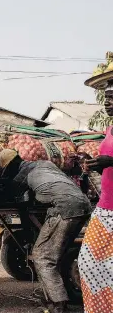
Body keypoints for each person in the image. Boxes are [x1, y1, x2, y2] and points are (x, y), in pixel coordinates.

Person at [0, 149, 92, 313]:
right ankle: (56, 295)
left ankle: (58, 303)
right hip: (83, 204)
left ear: (10, 166)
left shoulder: (21, 176)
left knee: (43, 256)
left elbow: (19, 204)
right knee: (56, 253)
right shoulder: (46, 164)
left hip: (65, 208)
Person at [78, 82, 113, 313]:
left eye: (112, 97)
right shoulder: (110, 128)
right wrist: (96, 165)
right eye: (106, 97)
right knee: (89, 263)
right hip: (106, 207)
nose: (107, 102)